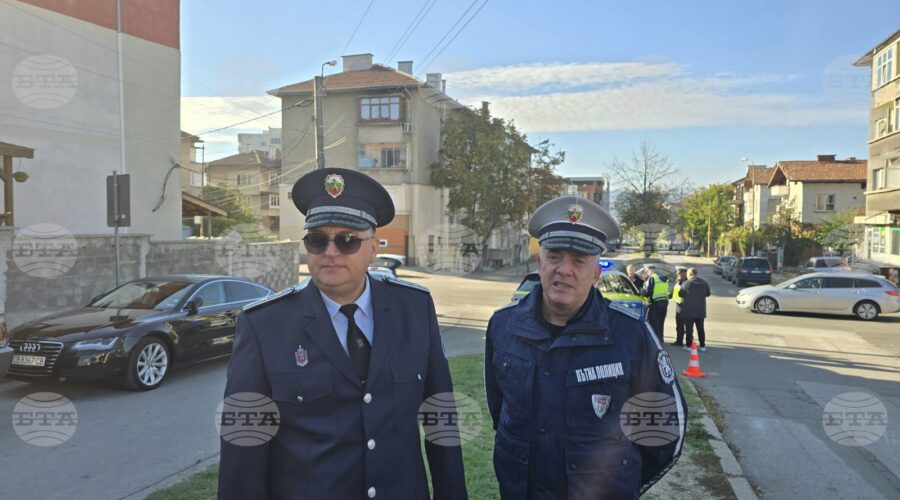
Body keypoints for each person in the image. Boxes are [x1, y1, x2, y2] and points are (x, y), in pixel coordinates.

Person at [218, 167, 467, 500]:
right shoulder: (265, 325)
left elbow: (440, 416)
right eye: (317, 239)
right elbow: (244, 445)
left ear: (373, 247)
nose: (330, 252)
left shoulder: (414, 309)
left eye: (347, 240)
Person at [484, 196, 687, 499]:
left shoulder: (631, 334)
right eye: (554, 256)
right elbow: (500, 413)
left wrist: (620, 484)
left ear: (595, 274)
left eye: (579, 260)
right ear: (540, 264)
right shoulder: (503, 326)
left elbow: (664, 432)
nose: (564, 269)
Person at [680, 267, 711, 352]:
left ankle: (689, 346)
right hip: (700, 310)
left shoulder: (686, 283)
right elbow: (708, 294)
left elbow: (681, 294)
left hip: (689, 310)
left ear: (690, 274)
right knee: (700, 328)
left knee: (689, 329)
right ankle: (702, 346)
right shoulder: (704, 283)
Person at [642, 264, 669, 342]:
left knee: (654, 323)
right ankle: (660, 339)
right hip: (664, 302)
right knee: (661, 322)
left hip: (655, 303)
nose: (646, 273)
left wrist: (642, 293)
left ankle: (656, 341)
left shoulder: (652, 278)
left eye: (646, 271)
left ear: (650, 270)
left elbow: (649, 291)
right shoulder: (664, 278)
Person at [670, 266, 688, 347]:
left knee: (687, 325)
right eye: (678, 273)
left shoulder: (686, 283)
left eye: (679, 273)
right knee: (679, 325)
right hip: (678, 306)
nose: (678, 275)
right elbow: (673, 292)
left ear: (684, 274)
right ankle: (679, 341)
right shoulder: (678, 282)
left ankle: (688, 341)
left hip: (685, 306)